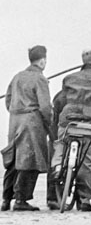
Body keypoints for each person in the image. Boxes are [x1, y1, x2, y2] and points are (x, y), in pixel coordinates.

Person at [49, 49, 91, 211]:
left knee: (61, 144)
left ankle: (57, 169)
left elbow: (62, 98)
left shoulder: (69, 78)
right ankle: (84, 199)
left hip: (68, 116)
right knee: (86, 157)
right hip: (90, 118)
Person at [2, 46, 52, 211]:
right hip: (32, 122)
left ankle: (5, 200)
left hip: (15, 120)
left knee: (13, 160)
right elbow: (45, 107)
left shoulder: (17, 76)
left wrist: (16, 111)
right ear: (42, 60)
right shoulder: (40, 79)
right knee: (31, 160)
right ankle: (21, 200)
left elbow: (8, 99)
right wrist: (49, 124)